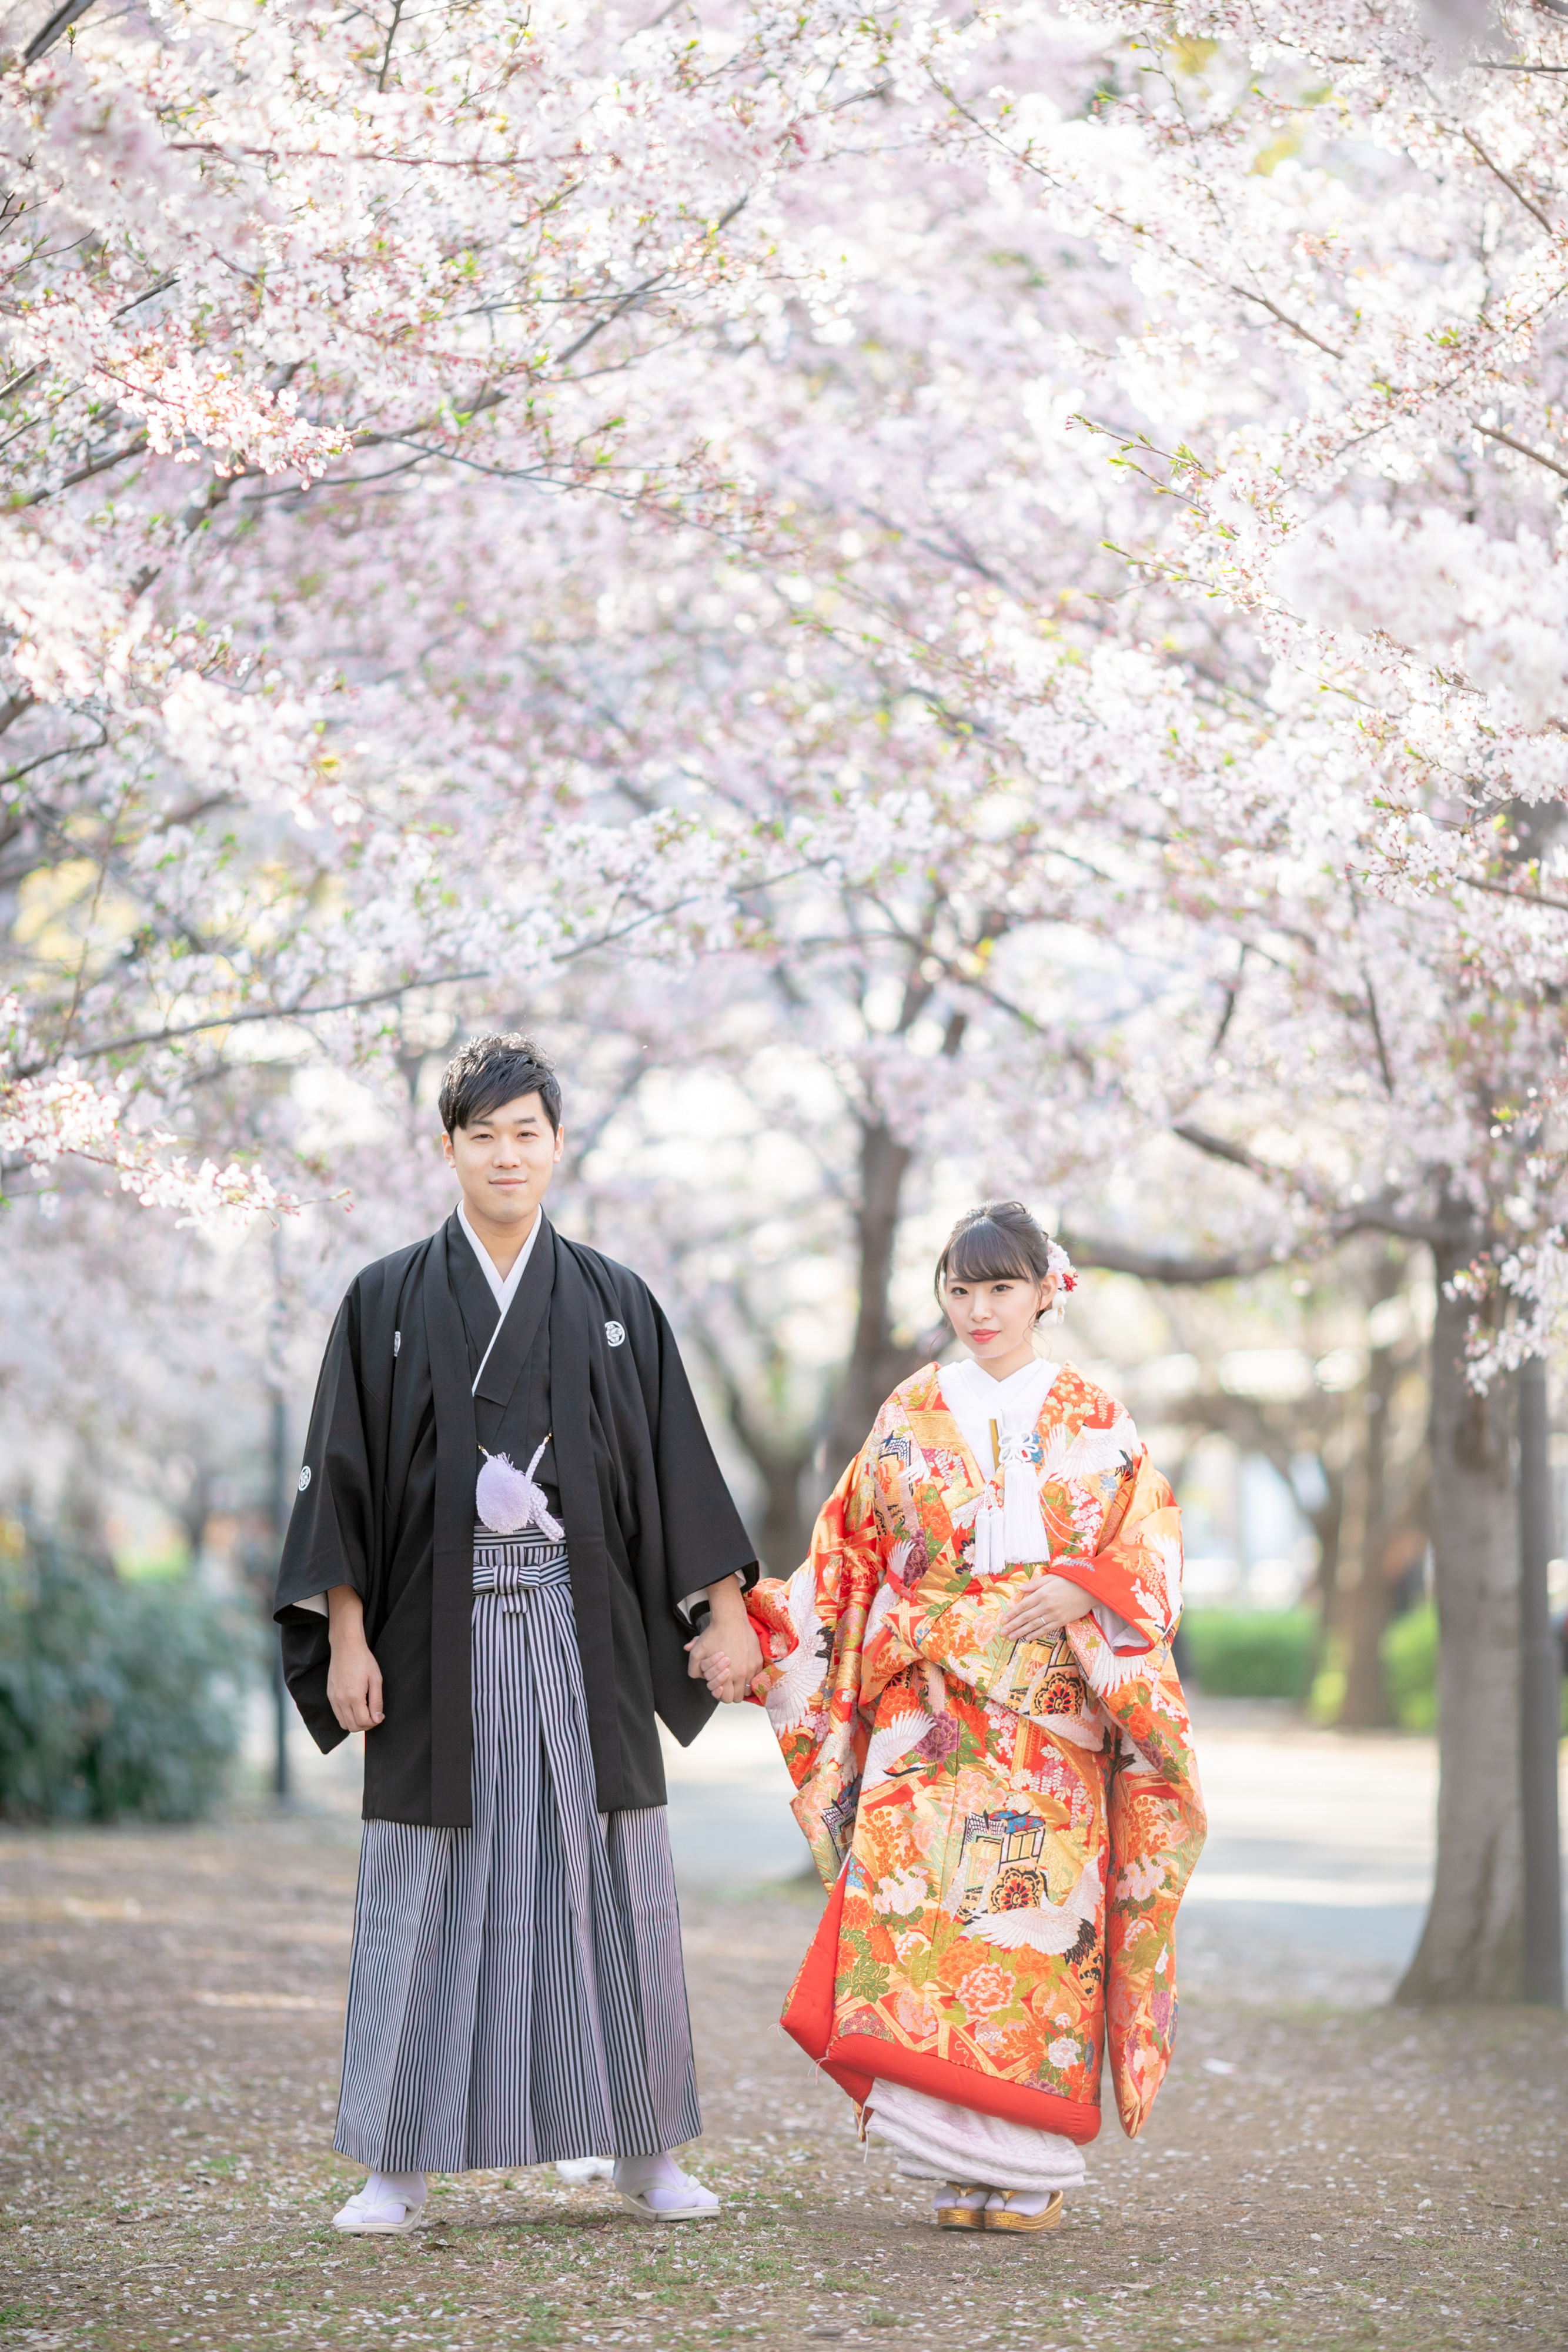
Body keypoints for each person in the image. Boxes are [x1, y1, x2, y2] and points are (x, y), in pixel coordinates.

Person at [274, 1033, 760, 2234]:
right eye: (481, 1132)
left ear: (556, 1142)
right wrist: (346, 1636)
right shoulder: (385, 1298)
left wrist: (728, 1612)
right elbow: (339, 1480)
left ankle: (645, 2149)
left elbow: (675, 1467)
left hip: (581, 1627)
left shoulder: (612, 1299)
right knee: (423, 1882)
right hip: (435, 1637)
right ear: (446, 1146)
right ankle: (396, 2163)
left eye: (524, 1130)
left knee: (612, 1876)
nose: (505, 1152)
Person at [694, 1201, 1204, 2233]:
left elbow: (1153, 1545)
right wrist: (767, 1632)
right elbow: (847, 1551)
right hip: (926, 1710)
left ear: (1046, 1291)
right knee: (921, 1915)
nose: (979, 1310)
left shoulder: (1098, 1418)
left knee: (1034, 1923)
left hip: (1051, 1715)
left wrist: (1089, 1587)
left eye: (1001, 1288)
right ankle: (955, 2161)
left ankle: (1030, 2168)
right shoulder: (911, 1408)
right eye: (961, 1290)